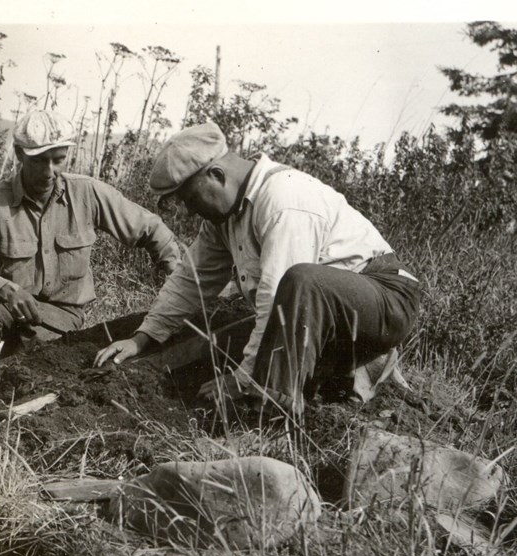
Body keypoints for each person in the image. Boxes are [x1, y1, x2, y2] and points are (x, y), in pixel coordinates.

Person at [94, 122, 421, 416]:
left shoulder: (283, 199)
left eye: (190, 199)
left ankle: (272, 410)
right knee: (235, 320)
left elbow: (277, 293)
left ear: (217, 176)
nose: (191, 212)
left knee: (299, 281)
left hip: (385, 300)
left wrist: (244, 378)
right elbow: (191, 280)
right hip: (327, 315)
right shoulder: (225, 219)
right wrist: (142, 338)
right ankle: (348, 367)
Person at [0, 109, 184, 350]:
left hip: (60, 316)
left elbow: (151, 228)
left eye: (58, 160)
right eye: (38, 161)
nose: (49, 172)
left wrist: (178, 287)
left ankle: (0, 351)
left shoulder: (87, 193)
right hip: (8, 305)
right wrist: (5, 289)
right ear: (19, 154)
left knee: (28, 347)